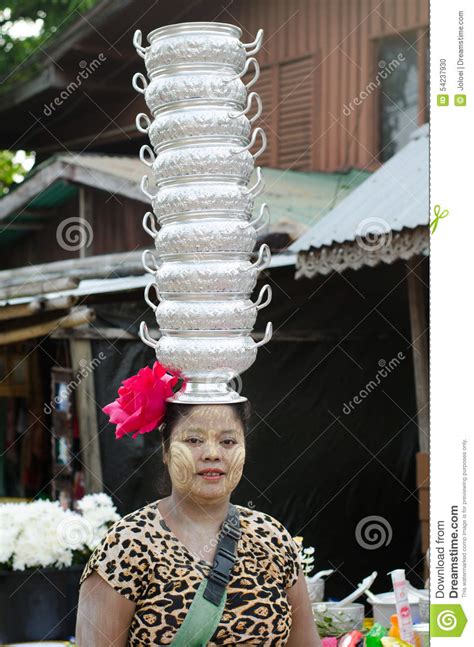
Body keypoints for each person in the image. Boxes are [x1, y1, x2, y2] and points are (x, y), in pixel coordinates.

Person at [76, 401, 322, 645]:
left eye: (228, 441)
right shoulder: (127, 544)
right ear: (166, 449)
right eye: (193, 440)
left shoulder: (273, 539)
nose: (212, 454)